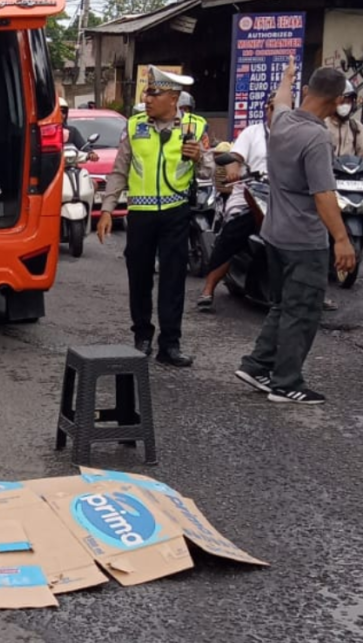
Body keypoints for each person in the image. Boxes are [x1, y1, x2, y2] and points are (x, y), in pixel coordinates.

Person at [235, 58, 357, 405]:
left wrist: (287, 76)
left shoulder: (281, 121)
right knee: (302, 310)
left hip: (274, 234)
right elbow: (323, 195)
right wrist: (342, 239)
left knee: (283, 305)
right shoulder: (316, 137)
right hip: (304, 240)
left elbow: (283, 98)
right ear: (336, 102)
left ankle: (258, 365)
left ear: (308, 91)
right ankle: (286, 382)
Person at [97, 66, 215, 367]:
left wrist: (199, 157)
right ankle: (142, 336)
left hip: (176, 212)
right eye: (147, 92)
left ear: (173, 98)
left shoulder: (195, 127)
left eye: (155, 93)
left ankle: (170, 345)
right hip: (141, 214)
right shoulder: (135, 126)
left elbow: (209, 172)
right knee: (139, 277)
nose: (147, 98)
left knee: (173, 279)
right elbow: (119, 171)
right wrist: (107, 209)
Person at [196, 95, 275, 312]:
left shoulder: (296, 134)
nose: (277, 111)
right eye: (272, 107)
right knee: (233, 231)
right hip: (251, 190)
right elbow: (234, 158)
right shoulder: (253, 133)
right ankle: (209, 288)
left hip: (284, 196)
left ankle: (315, 291)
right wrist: (233, 172)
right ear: (266, 109)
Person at [325, 79, 363, 157]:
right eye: (342, 102)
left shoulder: (356, 127)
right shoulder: (322, 125)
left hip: (350, 168)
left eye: (348, 102)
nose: (345, 106)